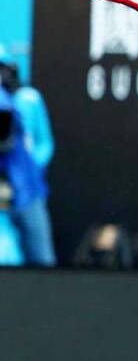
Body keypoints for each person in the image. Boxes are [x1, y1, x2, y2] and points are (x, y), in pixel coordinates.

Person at [0, 46, 56, 267]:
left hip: (27, 189)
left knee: (41, 257)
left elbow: (45, 143)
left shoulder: (28, 100)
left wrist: (31, 168)